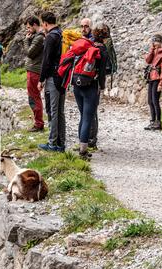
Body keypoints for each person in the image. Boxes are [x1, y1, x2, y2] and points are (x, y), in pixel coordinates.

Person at [72, 24, 108, 159]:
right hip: (91, 86)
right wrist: (102, 87)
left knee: (83, 116)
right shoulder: (102, 50)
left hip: (77, 84)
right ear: (105, 37)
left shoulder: (86, 45)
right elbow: (102, 72)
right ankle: (83, 151)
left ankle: (81, 144)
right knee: (88, 117)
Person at [38, 12, 66, 152]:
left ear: (45, 23)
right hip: (63, 77)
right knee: (60, 111)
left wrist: (41, 79)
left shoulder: (50, 37)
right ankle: (61, 143)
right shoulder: (61, 34)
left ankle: (52, 143)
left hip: (53, 78)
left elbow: (46, 61)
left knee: (53, 111)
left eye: (42, 24)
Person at [144, 34, 162, 131]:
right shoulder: (155, 51)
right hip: (151, 78)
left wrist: (161, 83)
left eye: (154, 41)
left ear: (160, 42)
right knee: (150, 101)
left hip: (158, 79)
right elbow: (147, 60)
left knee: (155, 101)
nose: (153, 43)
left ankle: (158, 123)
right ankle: (152, 122)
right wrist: (151, 50)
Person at [23, 16, 45, 132]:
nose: (28, 30)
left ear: (35, 25)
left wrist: (26, 40)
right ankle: (38, 122)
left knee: (34, 97)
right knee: (33, 97)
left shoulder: (39, 38)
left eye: (29, 27)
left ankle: (39, 123)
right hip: (33, 70)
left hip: (34, 71)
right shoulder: (37, 37)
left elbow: (29, 53)